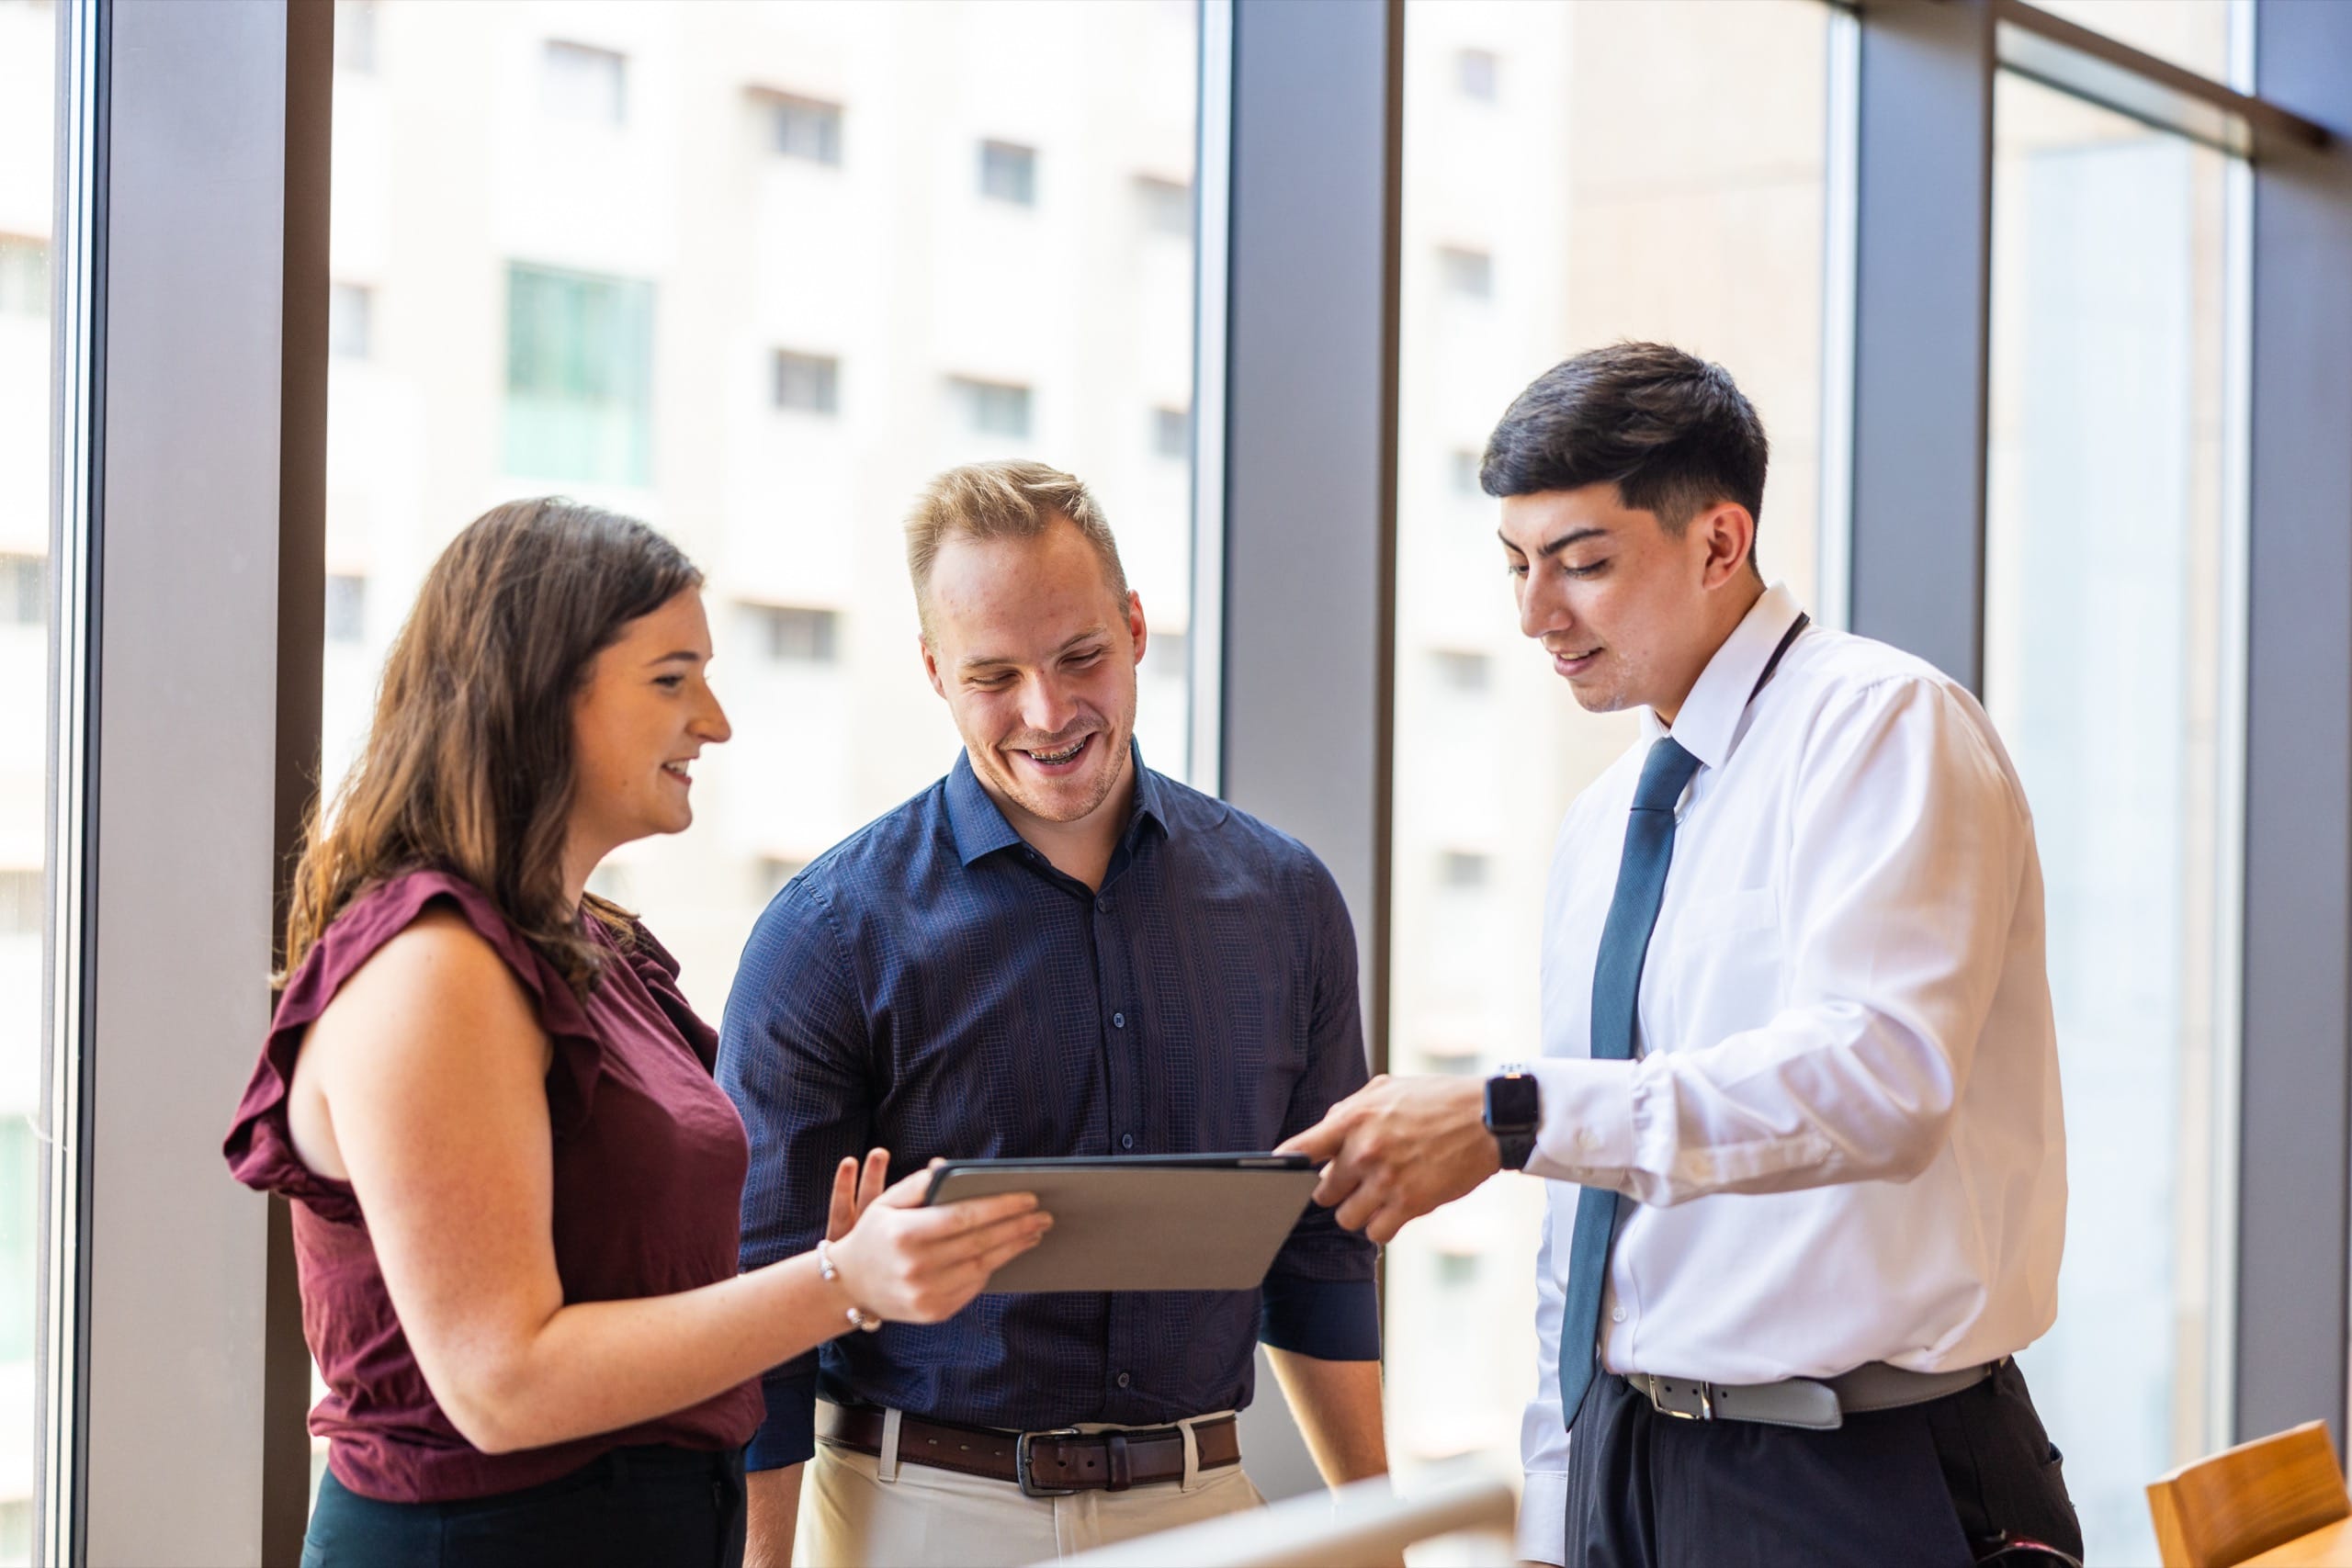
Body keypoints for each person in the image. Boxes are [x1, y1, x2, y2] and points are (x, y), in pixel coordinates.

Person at [1282, 344, 2083, 1568]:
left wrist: (1510, 1113)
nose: (1536, 616)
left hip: (1859, 1477)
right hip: (1636, 1464)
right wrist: (1559, 1504)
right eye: (1517, 566)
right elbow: (1585, 1218)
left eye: (1583, 564)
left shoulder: (1880, 725)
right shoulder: (1603, 820)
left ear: (1719, 543)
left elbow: (1880, 1080)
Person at [224, 499, 1050, 1568]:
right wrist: (840, 1284)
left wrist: (841, 1272)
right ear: (536, 694)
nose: (714, 720)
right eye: (671, 678)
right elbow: (501, 1382)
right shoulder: (433, 970)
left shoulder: (588, 947)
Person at [719, 460, 1387, 1568]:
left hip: (1202, 1504)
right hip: (917, 1514)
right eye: (995, 675)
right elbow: (767, 1300)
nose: (1048, 711)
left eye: (1080, 655)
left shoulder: (1285, 900)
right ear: (935, 674)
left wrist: (1378, 1536)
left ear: (1133, 629)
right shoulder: (825, 936)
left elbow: (1320, 1254)